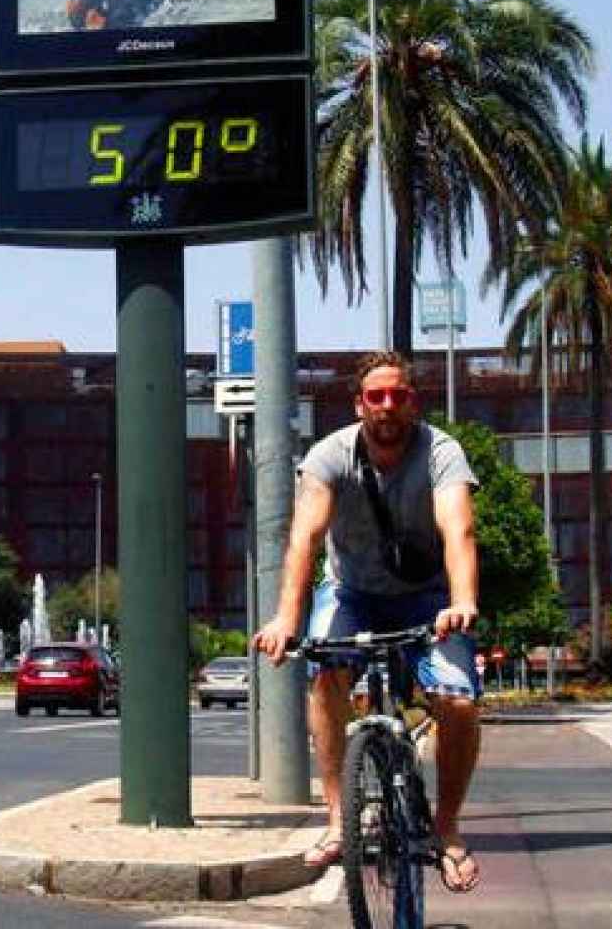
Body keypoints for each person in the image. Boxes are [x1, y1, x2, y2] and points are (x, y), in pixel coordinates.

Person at [253, 350, 484, 893]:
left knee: (457, 700)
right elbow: (305, 538)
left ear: (412, 402)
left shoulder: (440, 451)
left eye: (398, 396)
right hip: (351, 590)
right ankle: (339, 820)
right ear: (359, 405)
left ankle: (447, 831)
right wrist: (287, 617)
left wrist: (463, 599)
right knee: (326, 671)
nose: (387, 405)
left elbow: (459, 531)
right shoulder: (329, 454)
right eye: (376, 396)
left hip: (428, 597)